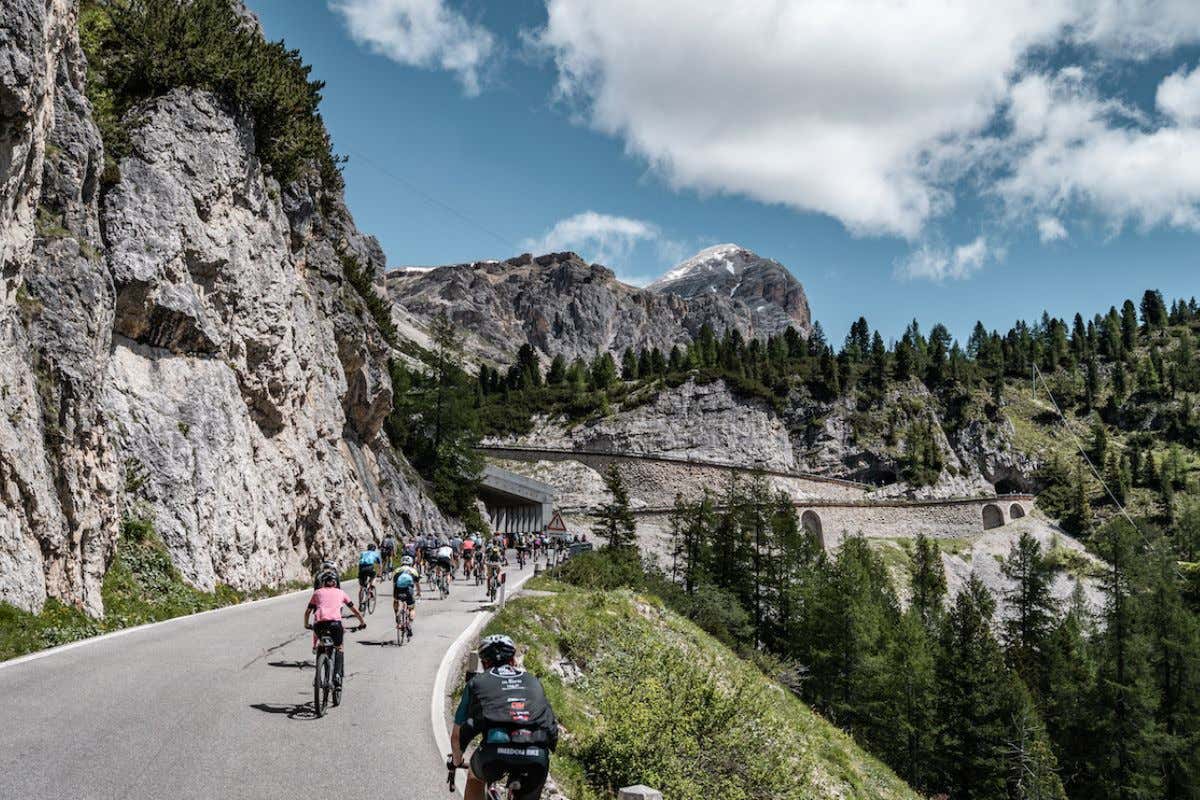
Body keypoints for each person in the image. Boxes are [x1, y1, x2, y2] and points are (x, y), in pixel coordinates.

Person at [450, 635, 557, 800]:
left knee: (474, 777)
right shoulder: (533, 681)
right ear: (513, 660)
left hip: (494, 755)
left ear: (484, 663)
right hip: (537, 756)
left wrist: (456, 761)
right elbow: (551, 726)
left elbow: (457, 736)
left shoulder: (477, 682)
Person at [304, 571, 366, 687]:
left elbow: (308, 612)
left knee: (321, 645)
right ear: (335, 583)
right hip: (335, 625)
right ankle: (337, 674)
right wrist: (362, 622)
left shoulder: (317, 593)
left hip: (319, 625)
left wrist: (306, 624)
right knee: (339, 647)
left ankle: (317, 677)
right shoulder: (341, 593)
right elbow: (355, 610)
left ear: (323, 583)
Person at [392, 555, 422, 630]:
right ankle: (409, 624)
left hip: (398, 589)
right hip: (409, 590)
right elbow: (417, 584)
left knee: (396, 601)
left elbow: (394, 583)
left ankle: (396, 614)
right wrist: (419, 592)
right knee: (412, 608)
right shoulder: (413, 571)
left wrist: (395, 595)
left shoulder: (397, 570)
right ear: (411, 563)